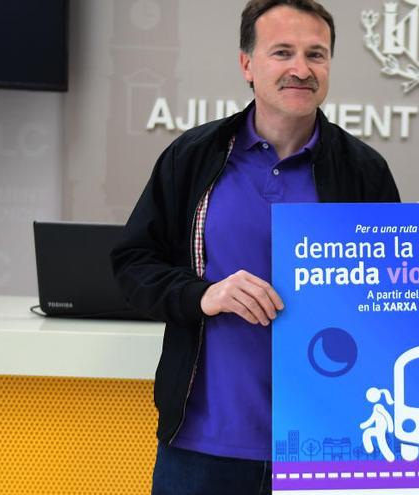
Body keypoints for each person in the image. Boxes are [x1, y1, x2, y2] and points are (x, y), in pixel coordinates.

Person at [111, 1, 400, 493]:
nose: (301, 69)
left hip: (325, 442)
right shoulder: (194, 156)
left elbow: (393, 297)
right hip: (204, 443)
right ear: (247, 64)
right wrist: (202, 294)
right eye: (282, 52)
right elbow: (133, 263)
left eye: (316, 54)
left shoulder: (362, 170)